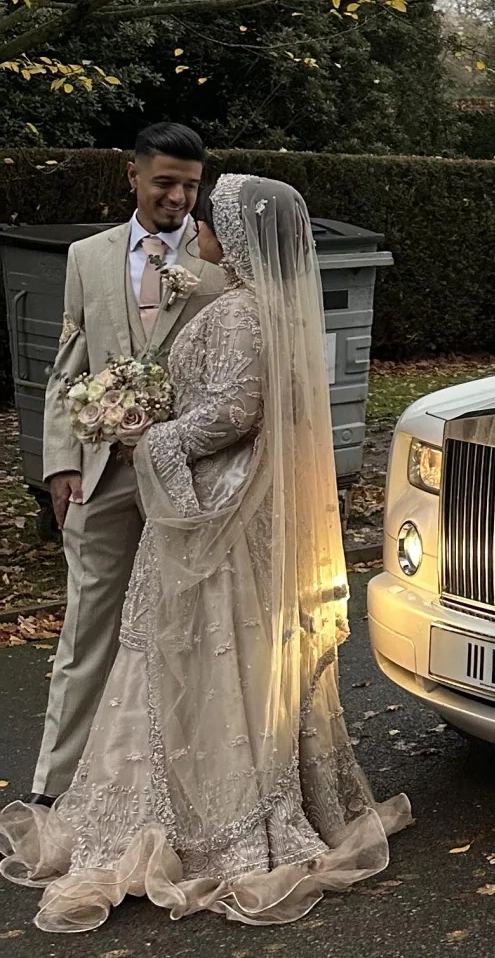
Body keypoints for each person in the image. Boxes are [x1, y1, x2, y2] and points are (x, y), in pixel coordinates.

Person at [0, 173, 411, 932]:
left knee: (194, 652)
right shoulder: (264, 310)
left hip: (213, 511)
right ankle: (218, 793)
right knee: (214, 654)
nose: (203, 225)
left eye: (214, 216)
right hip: (225, 508)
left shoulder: (240, 315)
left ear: (238, 236)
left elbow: (234, 409)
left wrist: (151, 438)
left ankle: (196, 813)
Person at [26, 122, 224, 809]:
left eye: (190, 187)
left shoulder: (218, 264)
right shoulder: (88, 256)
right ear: (132, 175)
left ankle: (170, 786)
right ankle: (55, 785)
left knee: (185, 627)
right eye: (165, 182)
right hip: (101, 474)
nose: (177, 198)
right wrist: (59, 465)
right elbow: (66, 369)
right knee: (88, 626)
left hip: (186, 477)